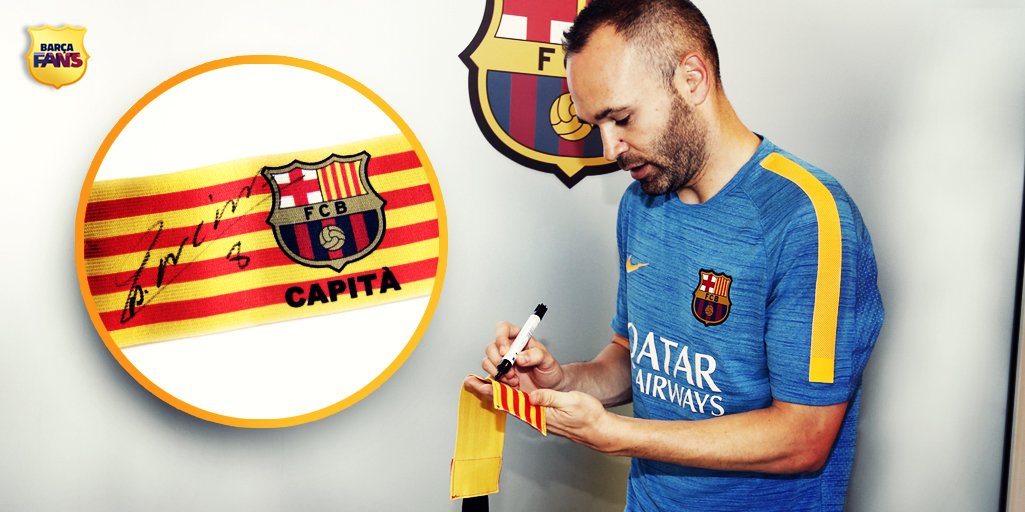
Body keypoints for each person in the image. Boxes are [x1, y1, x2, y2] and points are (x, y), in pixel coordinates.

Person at [464, 0, 884, 510]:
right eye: (597, 125)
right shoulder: (641, 204)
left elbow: (804, 437)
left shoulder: (808, 218)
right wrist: (563, 380)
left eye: (621, 118)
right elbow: (632, 356)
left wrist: (618, 435)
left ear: (691, 79)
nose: (610, 148)